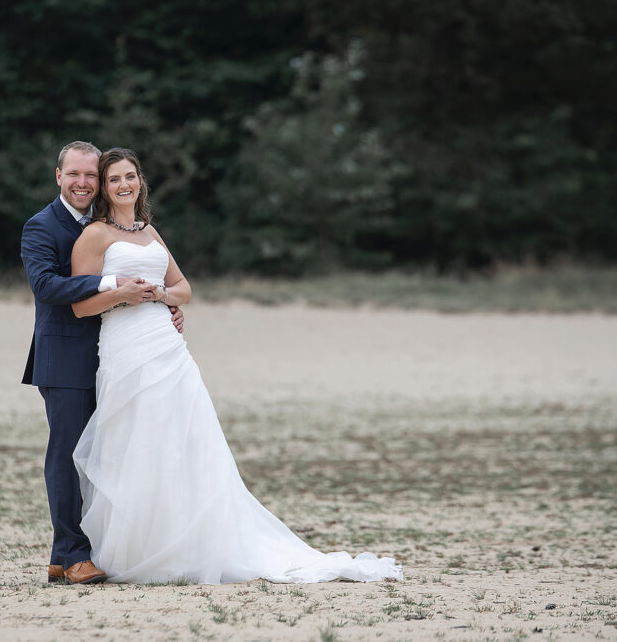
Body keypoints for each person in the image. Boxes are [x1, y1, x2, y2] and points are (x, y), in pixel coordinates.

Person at [68, 147, 403, 584]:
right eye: (114, 179)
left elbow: (183, 287)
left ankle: (191, 541)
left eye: (130, 176)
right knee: (137, 438)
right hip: (125, 346)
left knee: (183, 439)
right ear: (105, 188)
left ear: (140, 181)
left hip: (166, 345)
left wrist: (161, 298)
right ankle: (139, 546)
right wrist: (124, 295)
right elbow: (80, 306)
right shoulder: (95, 235)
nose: (124, 185)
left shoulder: (149, 231)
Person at [20, 141, 184, 585]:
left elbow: (152, 279)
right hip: (65, 358)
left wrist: (158, 304)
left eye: (91, 175)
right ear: (58, 176)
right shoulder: (41, 227)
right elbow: (48, 287)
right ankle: (74, 555)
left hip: (116, 352)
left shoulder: (107, 223)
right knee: (68, 453)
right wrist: (115, 284)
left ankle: (65, 553)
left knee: (107, 453)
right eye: (74, 174)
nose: (83, 183)